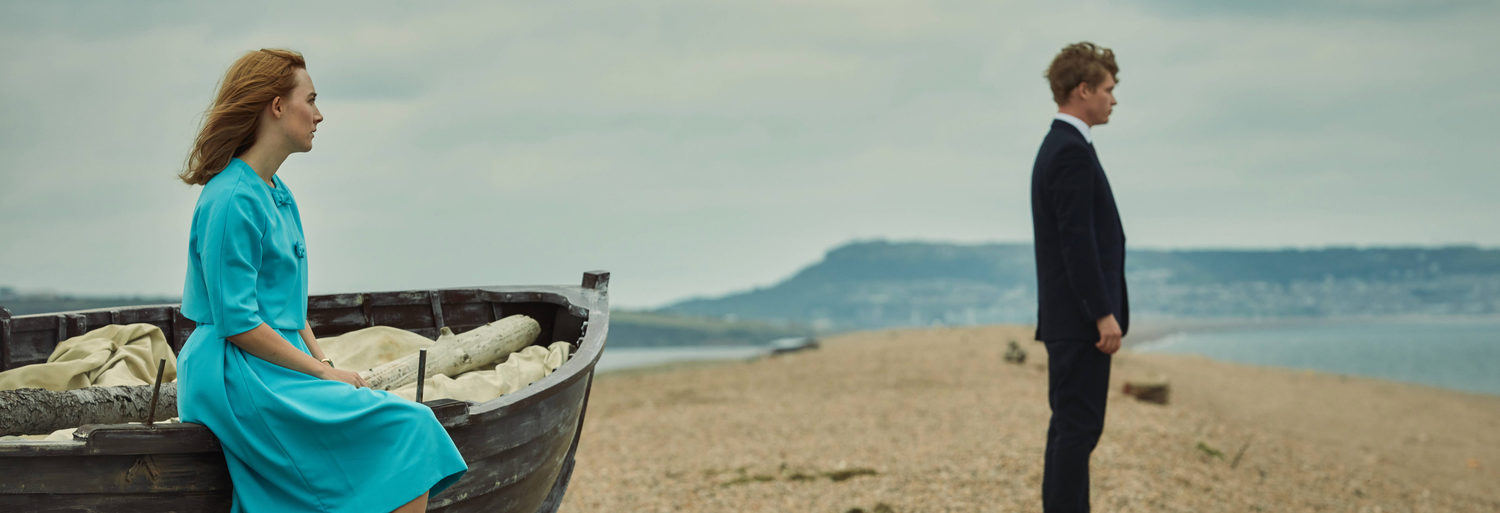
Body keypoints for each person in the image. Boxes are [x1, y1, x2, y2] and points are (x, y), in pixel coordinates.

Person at [175, 48, 468, 513]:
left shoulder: (276, 191)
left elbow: (287, 311)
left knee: (397, 426)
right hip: (236, 373)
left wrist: (325, 363)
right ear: (276, 106)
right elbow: (238, 322)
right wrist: (323, 373)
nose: (319, 114)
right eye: (309, 100)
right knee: (411, 427)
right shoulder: (231, 198)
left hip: (275, 363)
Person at [1029, 41, 1127, 513]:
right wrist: (1102, 313)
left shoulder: (1065, 146)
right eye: (1108, 89)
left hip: (1070, 320)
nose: (1113, 99)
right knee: (1078, 429)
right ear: (1083, 90)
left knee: (1071, 428)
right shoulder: (1069, 152)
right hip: (1079, 323)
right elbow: (1078, 245)